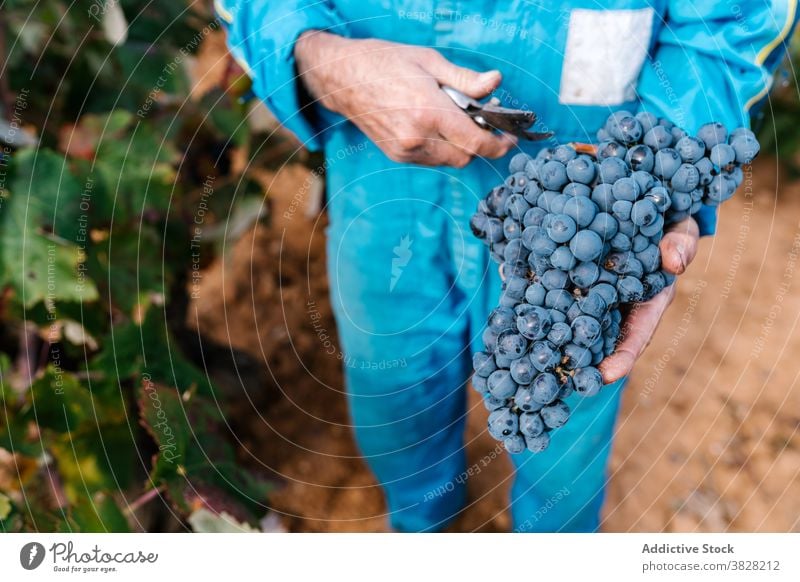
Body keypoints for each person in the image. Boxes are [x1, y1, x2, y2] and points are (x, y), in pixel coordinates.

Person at [215, 0, 797, 532]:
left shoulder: (604, 227)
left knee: (564, 426)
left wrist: (668, 176)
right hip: (377, 158)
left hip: (588, 180)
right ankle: (420, 527)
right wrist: (318, 57)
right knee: (392, 394)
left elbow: (735, 15)